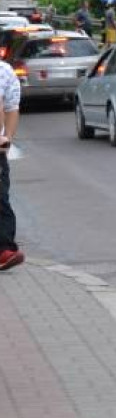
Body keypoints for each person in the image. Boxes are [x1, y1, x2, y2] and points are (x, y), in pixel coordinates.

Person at [0, 56, 22, 271]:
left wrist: (7, 139)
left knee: (1, 198)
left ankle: (4, 250)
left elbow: (11, 107)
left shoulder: (5, 72)